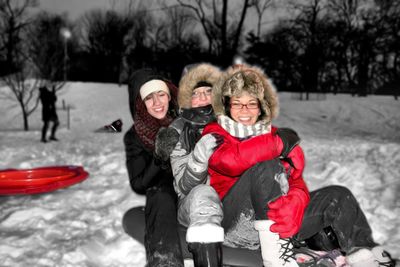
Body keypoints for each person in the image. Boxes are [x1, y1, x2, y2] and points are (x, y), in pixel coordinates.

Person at [199, 64, 395, 267]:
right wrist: (277, 144)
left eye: (252, 104)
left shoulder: (274, 135)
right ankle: (277, 260)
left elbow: (297, 183)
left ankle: (365, 254)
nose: (245, 110)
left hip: (279, 223)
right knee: (266, 168)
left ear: (261, 107)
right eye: (237, 104)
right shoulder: (215, 132)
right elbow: (230, 161)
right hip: (235, 222)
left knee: (338, 196)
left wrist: (295, 203)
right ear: (228, 106)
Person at [154, 63, 224, 267]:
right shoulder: (176, 132)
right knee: (203, 195)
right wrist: (199, 159)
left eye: (208, 91)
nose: (203, 98)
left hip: (228, 200)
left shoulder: (231, 121)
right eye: (196, 93)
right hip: (193, 204)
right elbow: (185, 187)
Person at [122, 68, 184, 266]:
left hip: (195, 190)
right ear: (140, 103)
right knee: (159, 194)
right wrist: (160, 156)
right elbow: (138, 184)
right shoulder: (135, 136)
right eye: (149, 97)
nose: (157, 103)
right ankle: (165, 261)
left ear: (169, 95)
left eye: (161, 94)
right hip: (164, 198)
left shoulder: (185, 122)